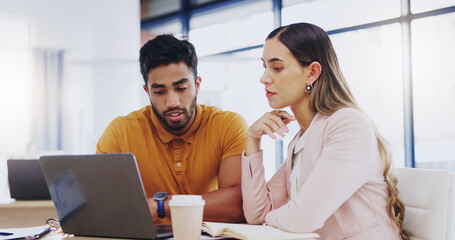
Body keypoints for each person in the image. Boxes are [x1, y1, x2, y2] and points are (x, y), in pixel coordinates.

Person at [241, 22, 409, 239]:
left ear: (312, 72)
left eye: (277, 67)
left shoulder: (347, 125)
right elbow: (257, 214)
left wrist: (270, 222)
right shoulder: (300, 139)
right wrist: (252, 139)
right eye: (264, 66)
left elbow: (303, 218)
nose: (264, 78)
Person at [97, 34, 248, 224]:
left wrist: (161, 205)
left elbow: (239, 205)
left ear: (197, 85)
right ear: (147, 92)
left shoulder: (229, 125)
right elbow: (104, 206)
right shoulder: (120, 132)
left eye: (181, 88)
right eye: (159, 92)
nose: (172, 102)